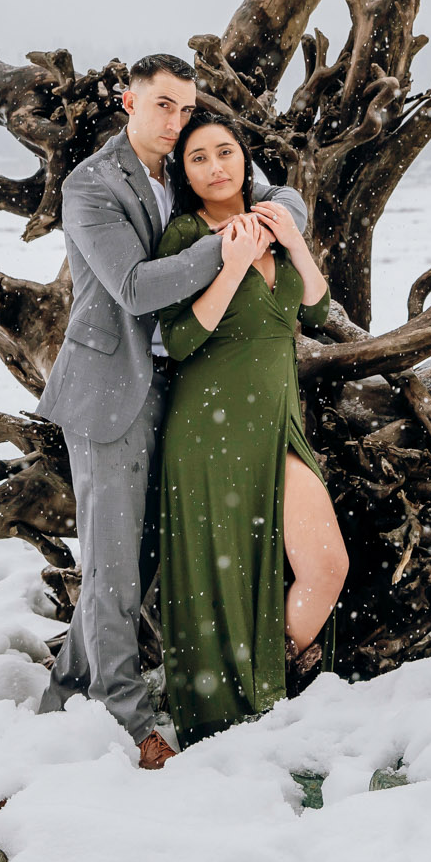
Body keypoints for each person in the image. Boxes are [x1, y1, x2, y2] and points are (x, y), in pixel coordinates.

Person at [36, 54, 308, 770]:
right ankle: (129, 723)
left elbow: (274, 188)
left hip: (175, 387)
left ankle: (65, 698)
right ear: (129, 100)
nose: (175, 122)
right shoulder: (91, 184)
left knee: (141, 557)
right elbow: (132, 285)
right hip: (111, 389)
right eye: (161, 105)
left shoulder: (179, 171)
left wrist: (281, 218)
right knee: (114, 564)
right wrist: (231, 246)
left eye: (185, 109)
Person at [153, 113, 349, 744]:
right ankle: (239, 716)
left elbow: (316, 306)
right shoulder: (185, 235)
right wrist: (232, 263)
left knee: (326, 566)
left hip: (277, 422)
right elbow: (179, 340)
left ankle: (269, 678)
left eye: (225, 152)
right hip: (209, 429)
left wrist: (291, 242)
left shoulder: (274, 217)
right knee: (225, 577)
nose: (216, 167)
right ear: (184, 174)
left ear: (245, 158)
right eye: (199, 158)